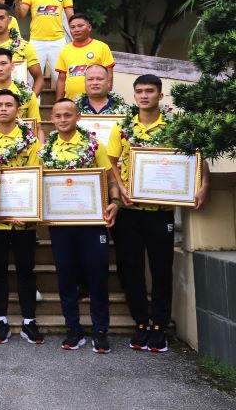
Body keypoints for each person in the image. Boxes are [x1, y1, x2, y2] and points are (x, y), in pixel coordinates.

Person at [108, 74, 209, 353]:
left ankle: (159, 327)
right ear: (134, 95)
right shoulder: (123, 127)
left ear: (160, 95)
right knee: (131, 269)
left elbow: (198, 156)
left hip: (160, 211)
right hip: (130, 210)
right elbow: (111, 161)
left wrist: (204, 184)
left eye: (149, 91)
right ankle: (141, 322)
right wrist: (120, 187)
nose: (144, 96)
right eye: (139, 91)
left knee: (162, 269)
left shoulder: (175, 126)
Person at [41, 99, 121, 354]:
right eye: (58, 116)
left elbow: (110, 177)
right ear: (52, 119)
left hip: (92, 222)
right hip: (61, 222)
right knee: (66, 277)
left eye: (68, 115)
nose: (63, 119)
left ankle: (100, 329)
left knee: (97, 276)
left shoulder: (93, 144)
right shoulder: (46, 149)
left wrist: (115, 202)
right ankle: (73, 328)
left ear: (78, 117)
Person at [0, 91, 44, 345]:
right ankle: (1, 320)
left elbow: (36, 173)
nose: (3, 109)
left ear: (18, 110)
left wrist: (30, 210)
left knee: (26, 269)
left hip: (23, 219)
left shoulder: (31, 140)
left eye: (9, 105)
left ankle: (29, 321)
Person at [14, 0, 74, 77]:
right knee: (32, 79)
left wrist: (75, 40)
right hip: (36, 41)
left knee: (62, 78)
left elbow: (72, 19)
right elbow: (21, 16)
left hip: (58, 41)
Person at [0, 3, 44, 96]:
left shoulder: (24, 46)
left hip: (18, 101)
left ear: (9, 20)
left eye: (1, 18)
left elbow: (39, 78)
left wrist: (29, 100)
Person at [55, 13, 115, 101]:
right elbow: (61, 80)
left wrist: (105, 100)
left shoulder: (102, 47)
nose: (76, 30)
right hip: (71, 102)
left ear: (89, 27)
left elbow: (109, 76)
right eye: (72, 27)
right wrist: (58, 102)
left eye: (80, 26)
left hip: (95, 102)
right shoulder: (65, 50)